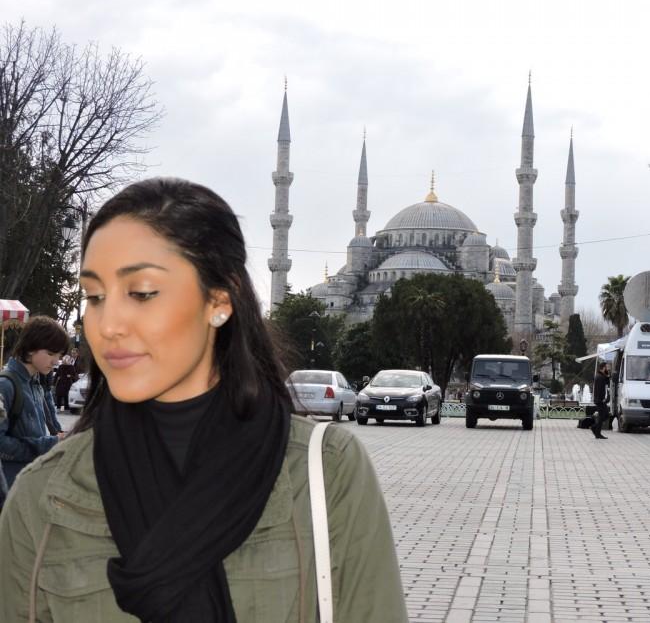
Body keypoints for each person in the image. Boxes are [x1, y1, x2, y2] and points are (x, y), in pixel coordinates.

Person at [0, 178, 408, 623]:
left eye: (141, 292)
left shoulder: (324, 472)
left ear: (219, 299)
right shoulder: (47, 495)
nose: (107, 323)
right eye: (95, 296)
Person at [0, 315, 68, 493]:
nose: (55, 361)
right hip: (9, 488)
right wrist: (47, 444)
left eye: (59, 355)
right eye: (51, 353)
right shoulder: (6, 385)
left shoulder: (36, 383)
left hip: (29, 483)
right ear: (30, 349)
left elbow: (49, 426)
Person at [591, 361, 611, 439]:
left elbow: (606, 380)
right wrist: (601, 400)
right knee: (603, 415)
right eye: (607, 367)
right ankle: (597, 432)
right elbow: (599, 390)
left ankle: (596, 430)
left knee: (604, 415)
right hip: (600, 400)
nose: (608, 368)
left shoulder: (601, 376)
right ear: (603, 368)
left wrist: (608, 376)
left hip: (600, 400)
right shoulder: (599, 377)